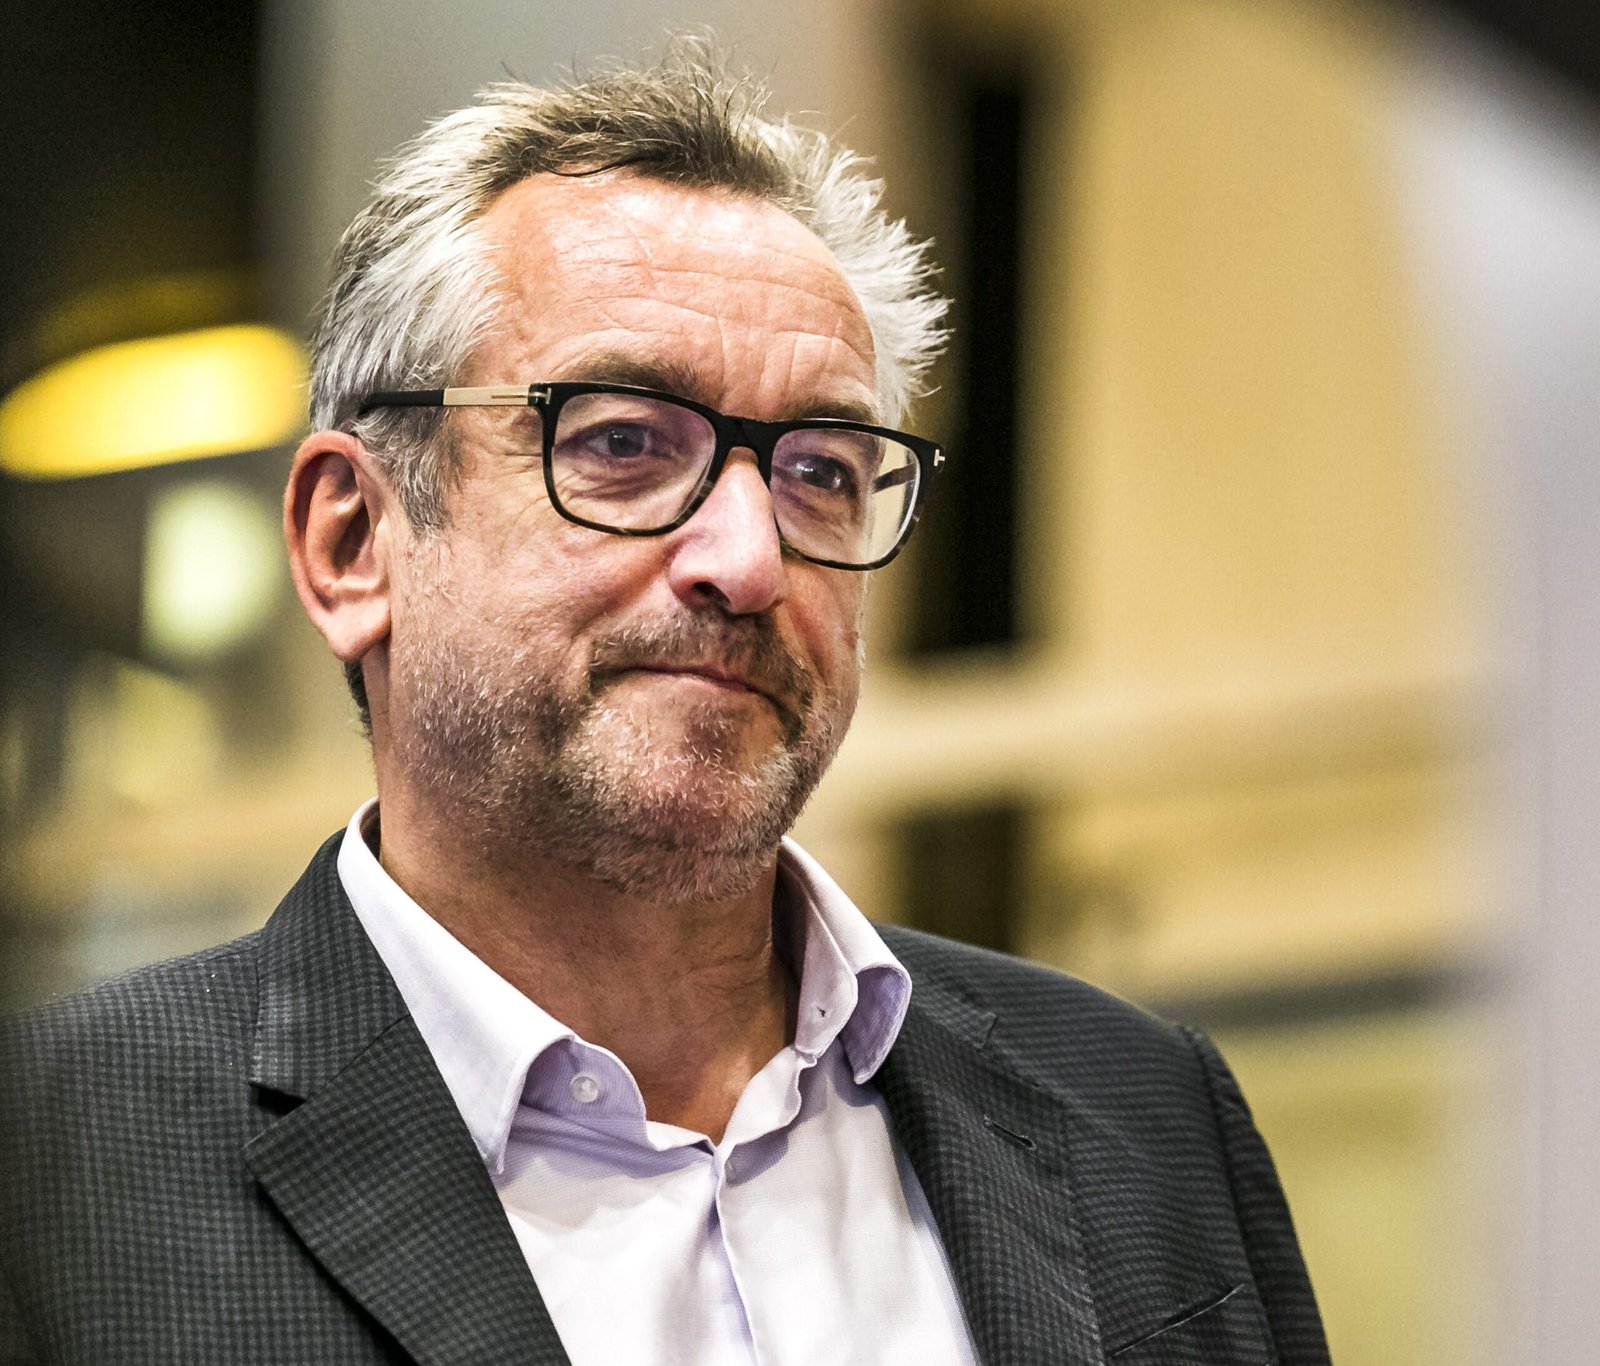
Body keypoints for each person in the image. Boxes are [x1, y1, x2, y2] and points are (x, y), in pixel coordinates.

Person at [0, 42, 1330, 1366]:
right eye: (623, 442)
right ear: (354, 542)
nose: (749, 562)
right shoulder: (55, 1166)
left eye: (821, 471)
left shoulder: (1139, 1114)